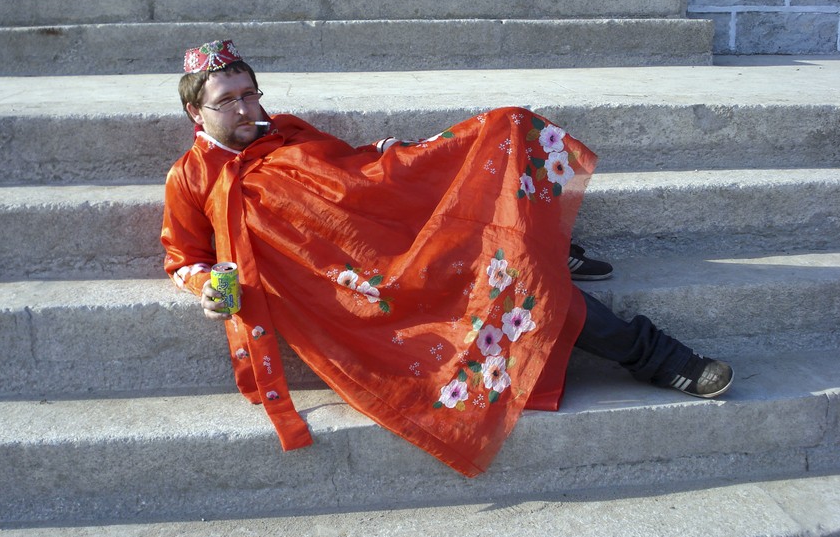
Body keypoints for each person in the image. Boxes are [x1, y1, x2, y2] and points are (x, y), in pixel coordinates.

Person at [161, 40, 733, 477]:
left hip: (402, 240)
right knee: (524, 292)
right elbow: (183, 255)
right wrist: (208, 286)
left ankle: (648, 349)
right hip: (354, 294)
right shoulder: (189, 178)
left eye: (250, 93)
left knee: (505, 136)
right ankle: (642, 343)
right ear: (197, 114)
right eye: (227, 101)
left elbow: (343, 172)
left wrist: (385, 154)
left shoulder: (283, 130)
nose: (244, 108)